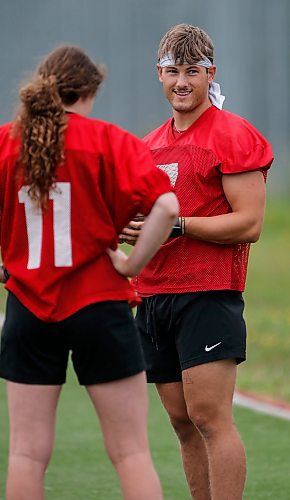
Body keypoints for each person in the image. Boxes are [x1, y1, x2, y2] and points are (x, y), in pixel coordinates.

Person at [0, 45, 179, 500]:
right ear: (87, 91)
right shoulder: (107, 139)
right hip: (99, 302)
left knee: (25, 455)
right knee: (131, 453)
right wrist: (132, 264)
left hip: (27, 308)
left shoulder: (6, 141)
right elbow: (167, 204)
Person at [119, 24, 274, 500]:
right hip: (155, 295)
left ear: (211, 74)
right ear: (158, 75)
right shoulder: (147, 145)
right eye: (172, 71)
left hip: (207, 294)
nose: (181, 81)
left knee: (210, 418)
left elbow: (249, 223)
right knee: (183, 422)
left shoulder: (233, 135)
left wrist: (177, 225)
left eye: (192, 71)